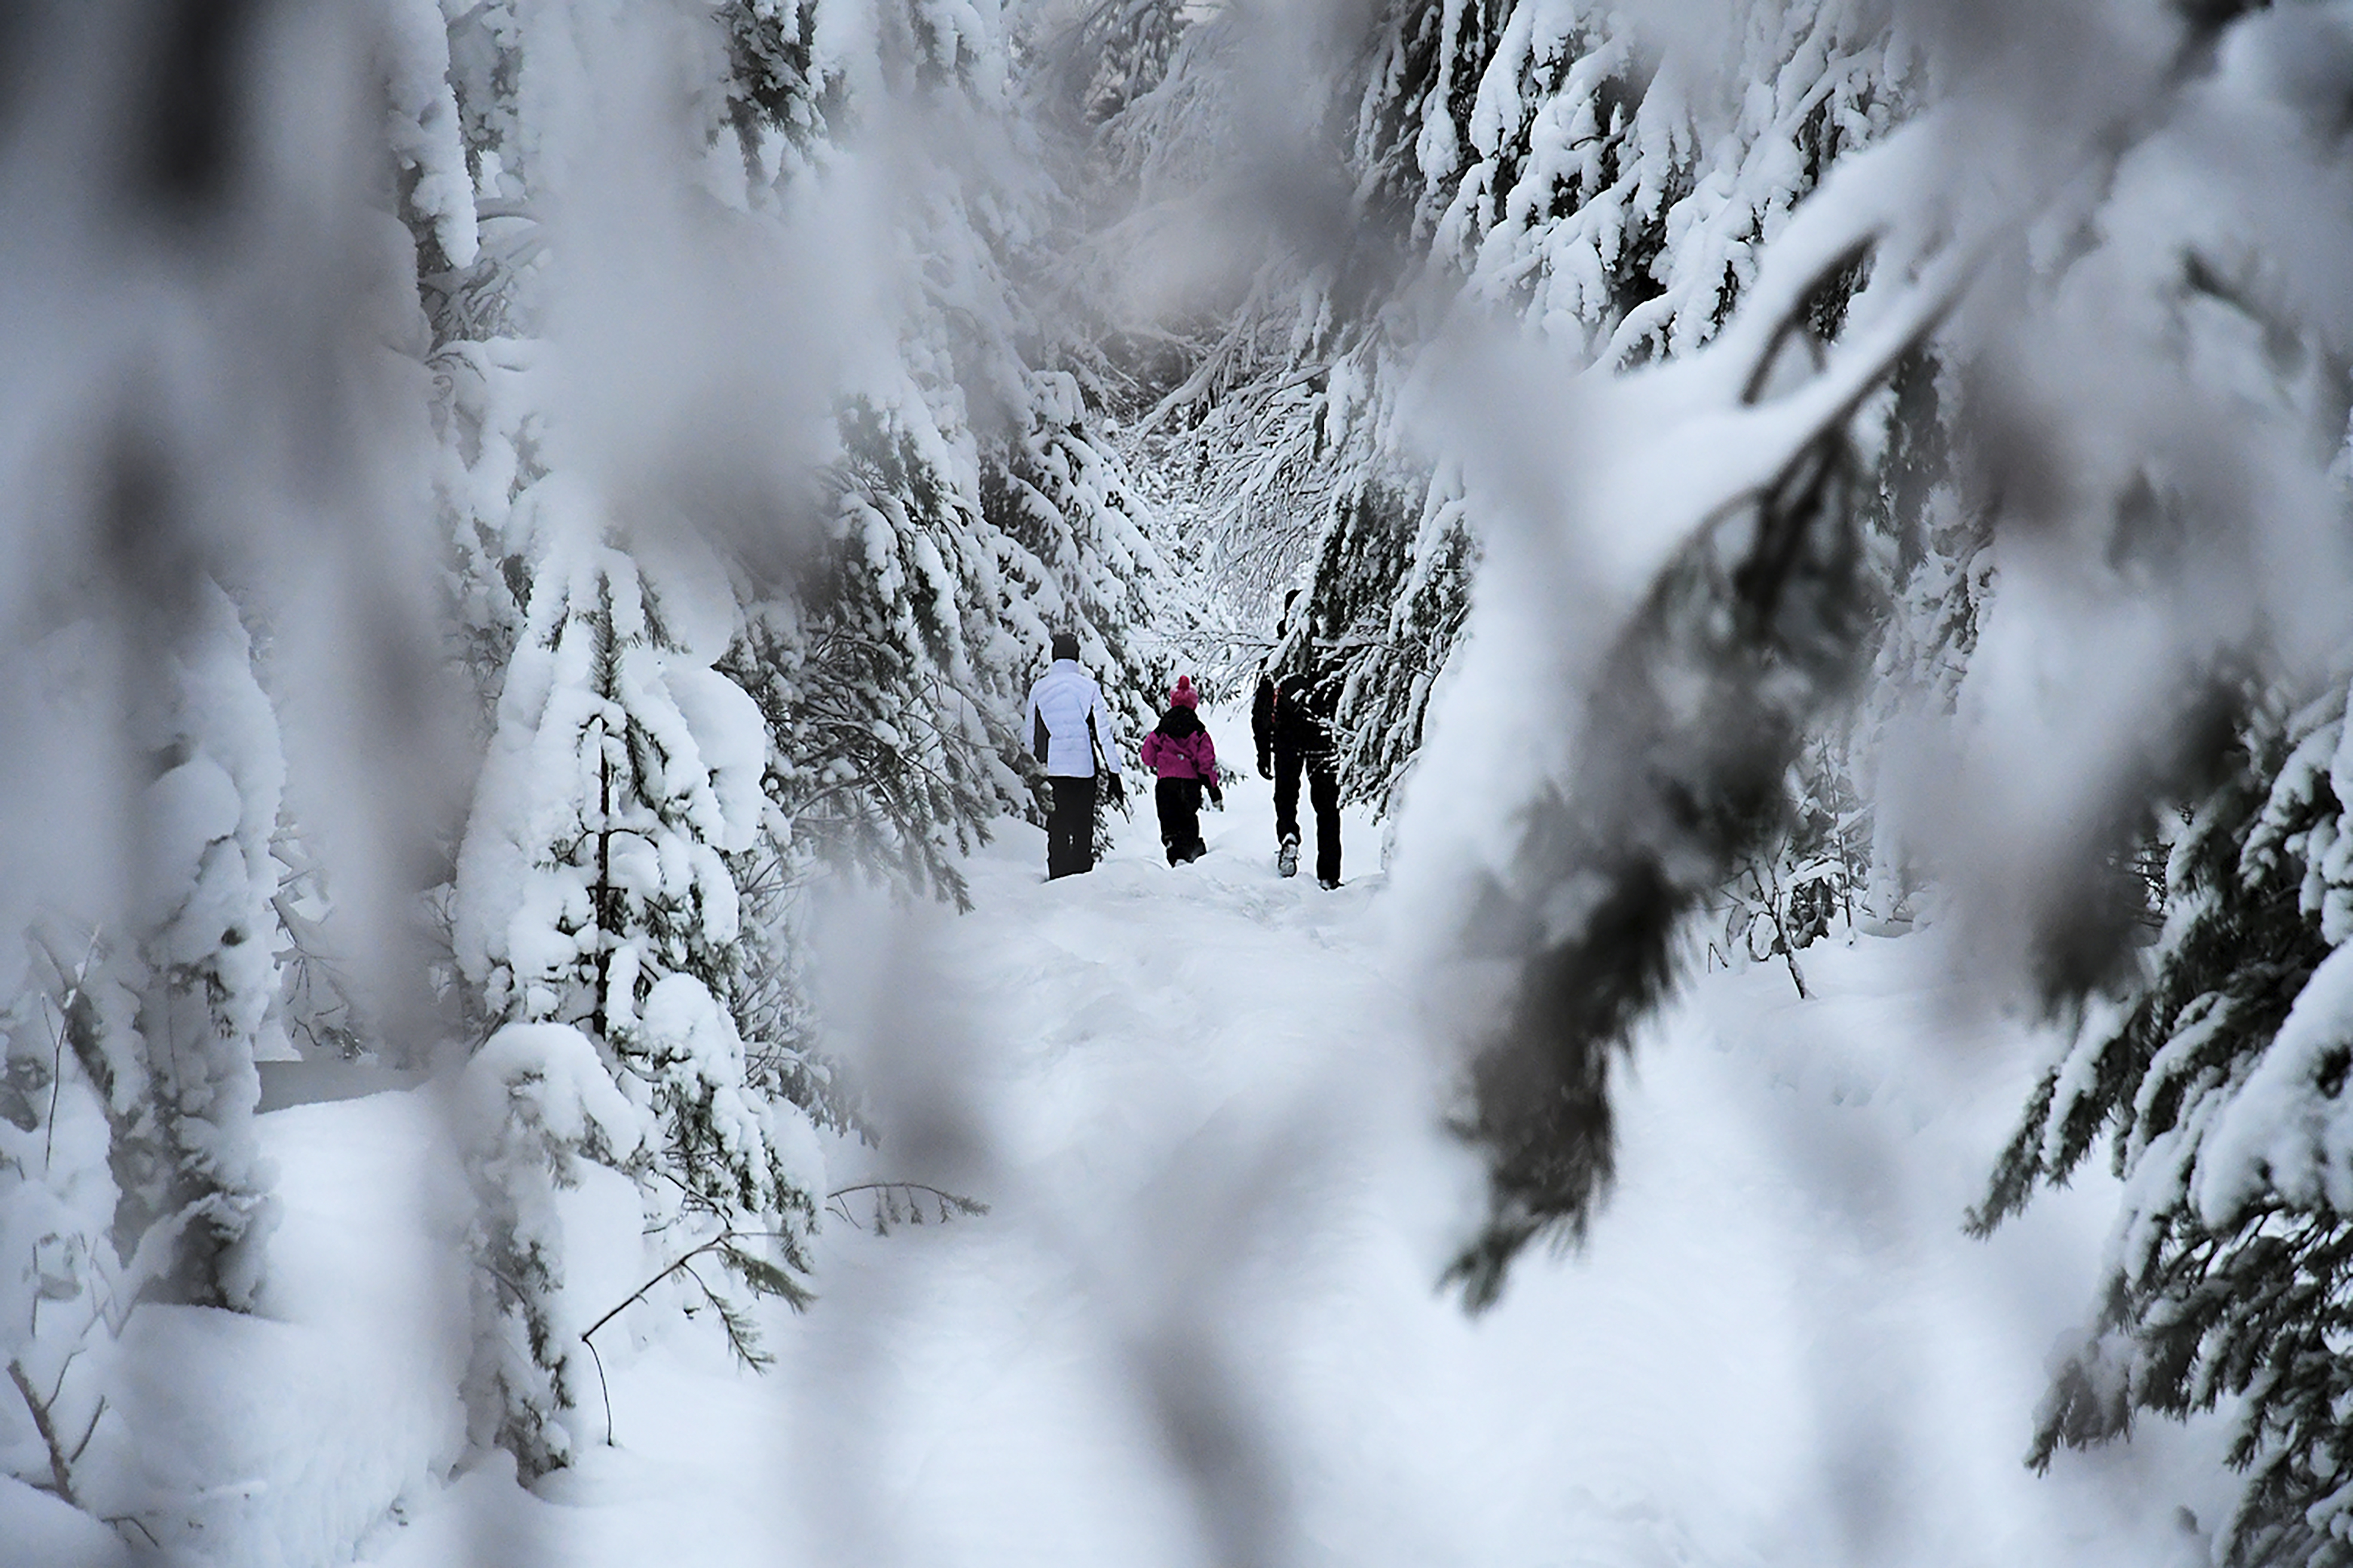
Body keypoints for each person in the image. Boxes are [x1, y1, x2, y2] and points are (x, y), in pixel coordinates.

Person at [1252, 593, 1342, 887]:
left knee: (1287, 796)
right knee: (1327, 806)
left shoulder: (1278, 655)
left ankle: (1289, 834)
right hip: (1321, 739)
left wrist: (1262, 751)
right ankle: (1329, 875)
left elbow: (1262, 709)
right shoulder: (1326, 652)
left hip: (1286, 738)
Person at [1026, 630, 1125, 878]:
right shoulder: (1089, 687)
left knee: (1057, 826)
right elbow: (1104, 734)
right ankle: (1082, 879)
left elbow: (1031, 734)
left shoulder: (1039, 688)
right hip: (1083, 767)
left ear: (1054, 657)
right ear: (1077, 658)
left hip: (1054, 769)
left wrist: (1033, 769)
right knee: (1083, 827)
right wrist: (1114, 774)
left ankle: (1057, 876)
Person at [1139, 675, 1223, 865]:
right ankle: (1191, 852)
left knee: (1169, 820)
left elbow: (1148, 756)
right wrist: (1212, 787)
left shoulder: (1161, 730)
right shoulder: (1200, 731)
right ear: (1194, 704)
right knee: (1188, 819)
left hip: (1166, 783)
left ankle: (1174, 850)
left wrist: (1162, 763)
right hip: (1190, 783)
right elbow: (1205, 762)